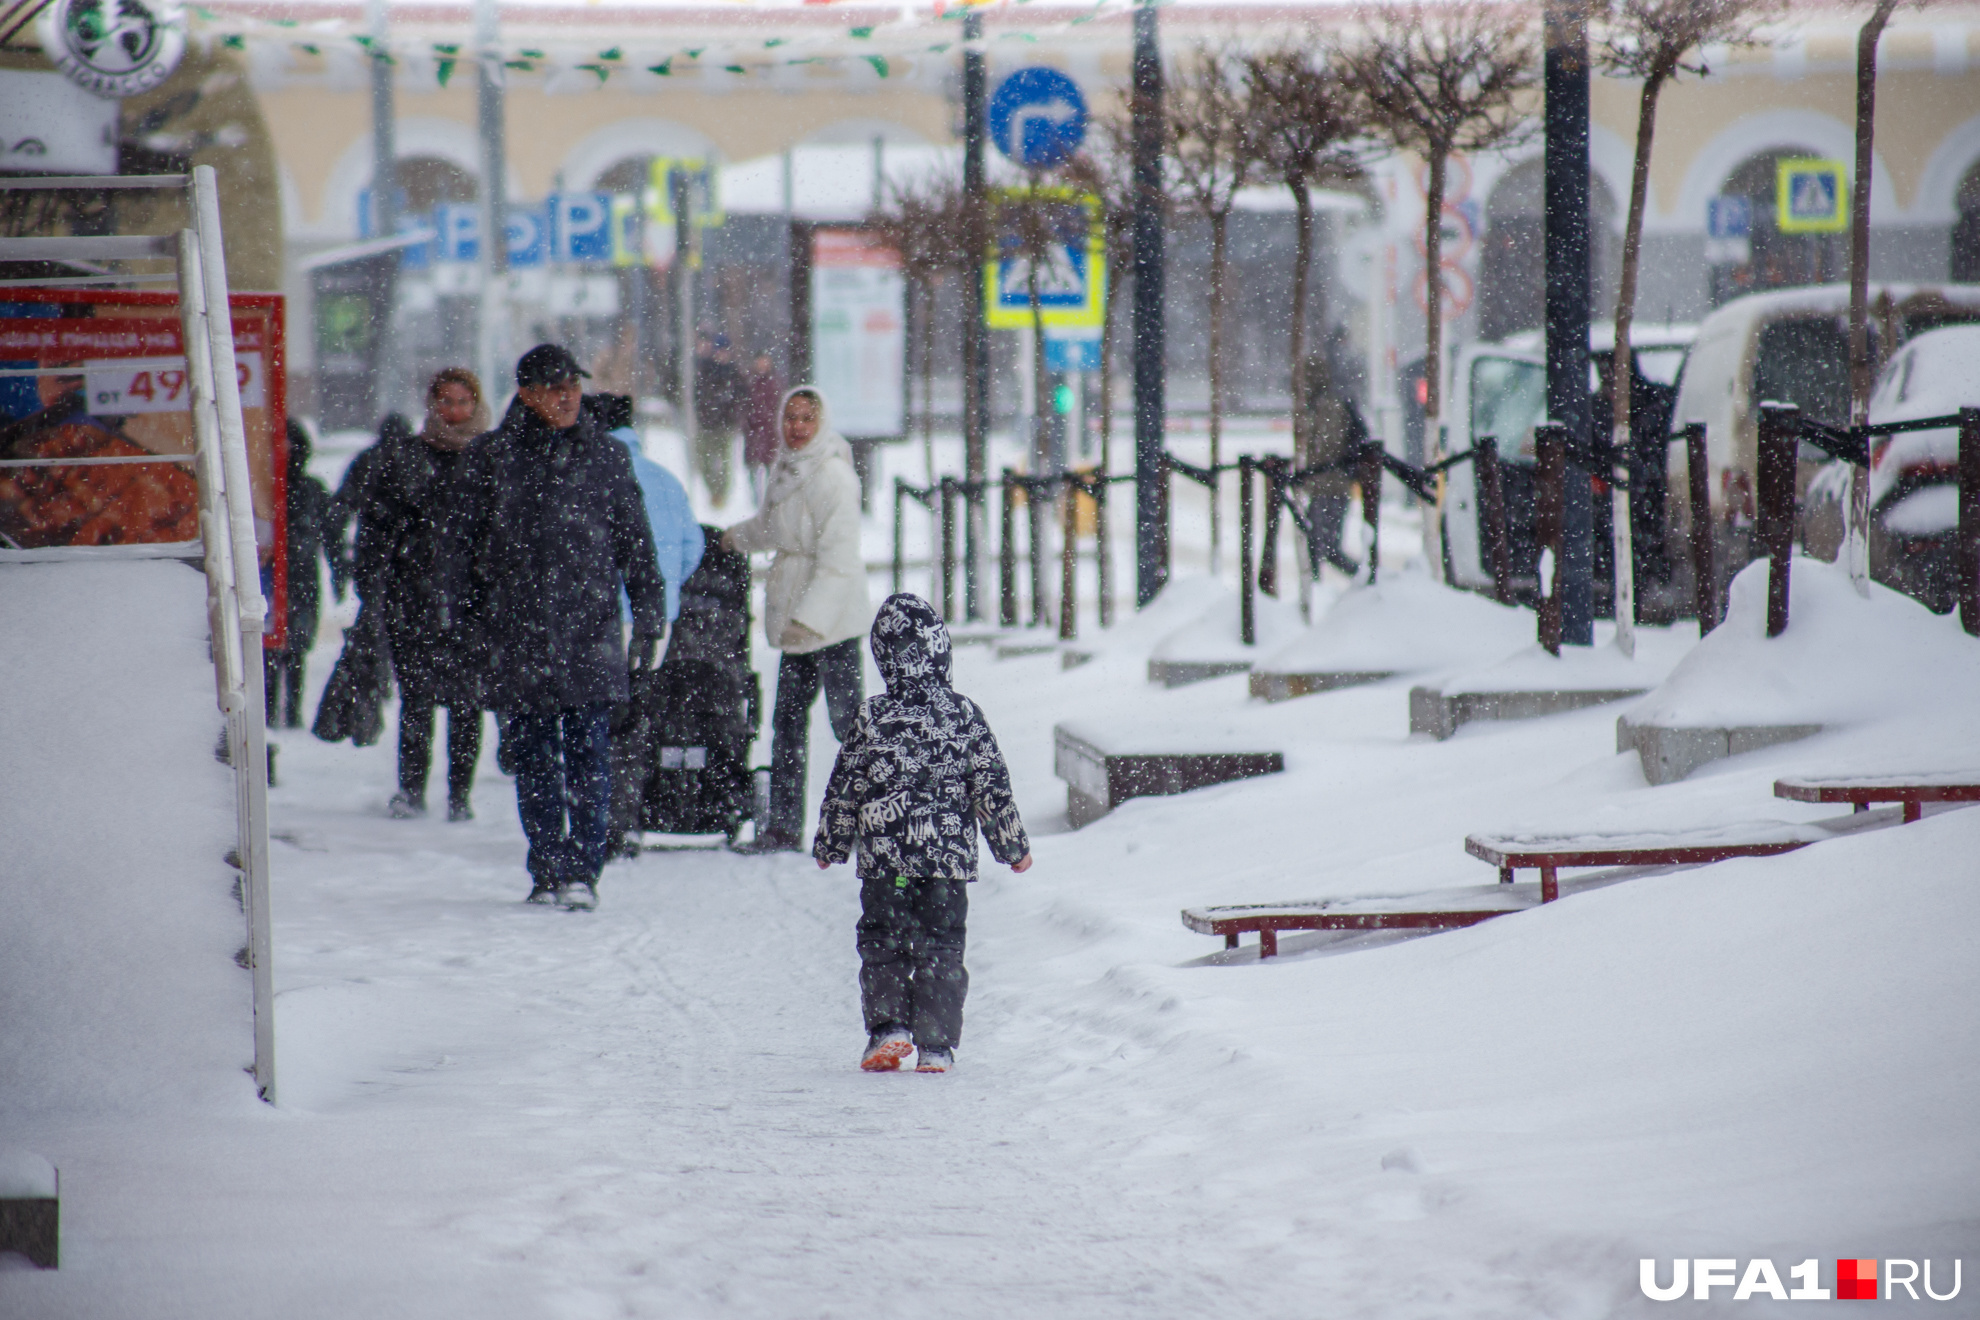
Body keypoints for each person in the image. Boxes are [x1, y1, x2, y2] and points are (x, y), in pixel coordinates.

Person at [444, 345, 666, 909]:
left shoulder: (607, 457)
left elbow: (636, 543)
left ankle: (583, 870)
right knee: (535, 759)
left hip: (590, 633)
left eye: (573, 385)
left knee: (591, 755)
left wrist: (648, 614)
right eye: (554, 387)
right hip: (519, 637)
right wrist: (468, 627)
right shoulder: (491, 459)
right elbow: (459, 554)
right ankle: (546, 865)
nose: (569, 396)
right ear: (526, 394)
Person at [813, 593, 1032, 1074]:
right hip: (944, 865)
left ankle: (888, 1029)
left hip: (886, 866)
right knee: (941, 944)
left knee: (883, 940)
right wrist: (1012, 846)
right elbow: (990, 785)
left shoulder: (871, 717)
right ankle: (935, 1045)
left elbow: (845, 786)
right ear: (940, 651)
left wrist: (832, 841)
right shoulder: (964, 715)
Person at [723, 386, 871, 854]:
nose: (798, 427)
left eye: (808, 418)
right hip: (797, 626)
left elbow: (840, 560)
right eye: (791, 417)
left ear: (822, 422)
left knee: (847, 727)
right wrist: (729, 540)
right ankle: (784, 828)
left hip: (830, 624)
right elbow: (769, 529)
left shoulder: (832, 477)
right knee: (786, 725)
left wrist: (811, 621)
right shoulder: (787, 470)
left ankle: (874, 822)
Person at [365, 370, 491, 821]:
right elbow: (377, 523)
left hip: (472, 603)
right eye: (445, 401)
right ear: (431, 404)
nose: (454, 411)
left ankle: (460, 796)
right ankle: (411, 789)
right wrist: (376, 581)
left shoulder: (491, 458)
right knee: (416, 699)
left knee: (466, 703)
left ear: (475, 405)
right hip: (414, 597)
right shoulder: (407, 457)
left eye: (462, 401)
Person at [266, 419, 332, 730]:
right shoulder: (264, 490)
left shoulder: (312, 489)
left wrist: (339, 570)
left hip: (303, 577)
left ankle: (291, 712)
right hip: (274, 575)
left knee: (296, 648)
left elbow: (331, 533)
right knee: (269, 649)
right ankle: (269, 711)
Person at [693, 333, 744, 506]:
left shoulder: (734, 372)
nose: (722, 354)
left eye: (725, 351)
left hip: (725, 425)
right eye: (719, 351)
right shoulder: (706, 369)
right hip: (707, 424)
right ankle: (713, 491)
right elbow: (698, 394)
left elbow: (741, 396)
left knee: (726, 462)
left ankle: (721, 495)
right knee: (705, 461)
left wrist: (733, 413)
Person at [741, 352, 783, 504]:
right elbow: (743, 404)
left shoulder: (775, 383)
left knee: (770, 466)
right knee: (753, 465)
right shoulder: (749, 381)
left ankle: (769, 497)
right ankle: (755, 498)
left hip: (770, 431)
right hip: (753, 430)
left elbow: (778, 405)